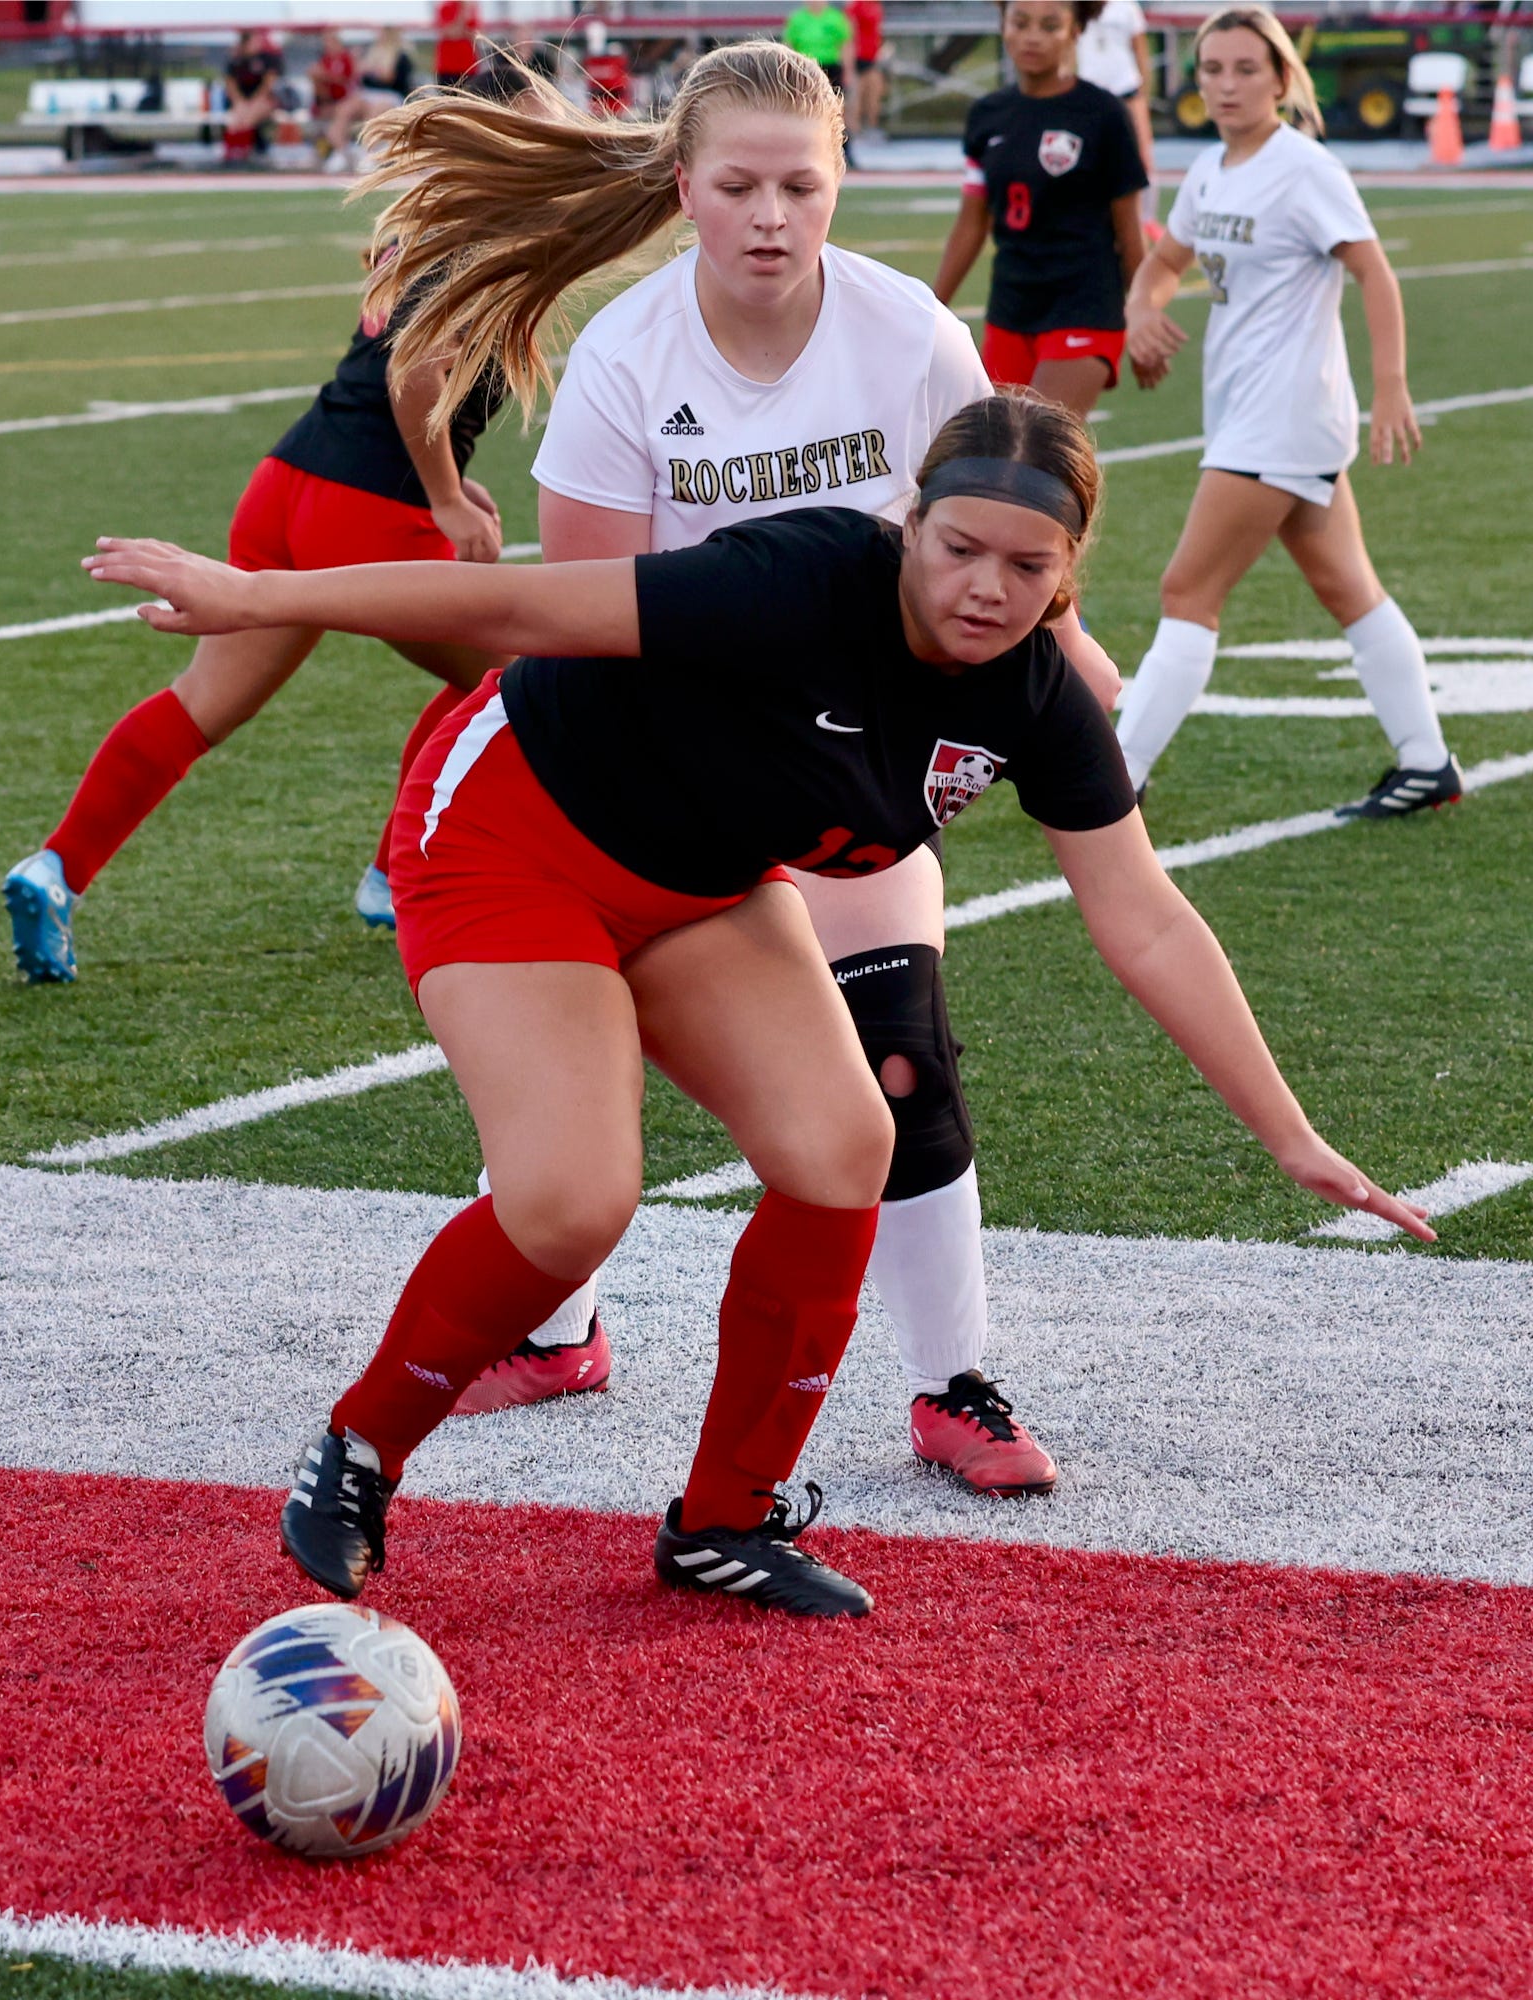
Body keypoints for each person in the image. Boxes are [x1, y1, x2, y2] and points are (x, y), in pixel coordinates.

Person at [82, 393, 1435, 1620]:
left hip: (702, 885)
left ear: (1069, 572)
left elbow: (1144, 918)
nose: (986, 586)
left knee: (848, 1145)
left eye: (1028, 567)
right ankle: (361, 1448)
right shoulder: (797, 582)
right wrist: (254, 593)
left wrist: (1291, 1136)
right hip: (512, 828)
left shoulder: (1034, 695)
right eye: (959, 545)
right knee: (570, 1200)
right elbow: (519, 612)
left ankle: (727, 1516)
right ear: (910, 524)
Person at [350, 40, 1122, 1497]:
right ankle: (560, 1322)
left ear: (844, 188)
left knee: (899, 1046)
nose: (773, 215)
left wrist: (1062, 658)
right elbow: (577, 631)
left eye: (803, 186)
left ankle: (952, 1381)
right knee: (594, 1065)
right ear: (686, 189)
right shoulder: (630, 359)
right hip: (682, 771)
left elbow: (998, 532)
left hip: (855, 766)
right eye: (741, 185)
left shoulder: (911, 339)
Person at [2, 260, 507, 985]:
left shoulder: (431, 226)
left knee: (201, 702)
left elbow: (382, 374)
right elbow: (416, 365)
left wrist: (453, 480)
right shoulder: (496, 231)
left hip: (288, 482)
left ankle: (55, 869)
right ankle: (395, 876)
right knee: (512, 675)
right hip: (368, 510)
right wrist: (444, 498)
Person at [1117, 5, 1462, 817]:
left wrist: (1393, 387)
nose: (1227, 85)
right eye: (1213, 70)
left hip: (1283, 416)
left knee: (1186, 590)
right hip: (1252, 412)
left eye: (1246, 69)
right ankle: (1427, 763)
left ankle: (1117, 776)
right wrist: (1141, 311)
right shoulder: (1210, 169)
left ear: (1281, 78)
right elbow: (1165, 262)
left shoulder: (1304, 169)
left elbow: (1375, 274)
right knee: (1350, 589)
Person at [932, 0, 1148, 422]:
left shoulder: (1104, 115)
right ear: (1004, 27)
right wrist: (929, 310)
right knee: (995, 453)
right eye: (1021, 22)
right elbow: (972, 223)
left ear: (1075, 31)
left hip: (1085, 306)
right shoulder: (987, 116)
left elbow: (1129, 231)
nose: (1033, 36)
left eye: (1050, 25)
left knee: (1036, 444)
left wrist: (1141, 318)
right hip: (1011, 307)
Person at [1072, 0, 1161, 237]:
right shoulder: (1078, 5)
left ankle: (1147, 219)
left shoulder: (1128, 7)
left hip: (1126, 90)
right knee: (1085, 157)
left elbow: (1140, 51)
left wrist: (1143, 93)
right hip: (1091, 92)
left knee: (1143, 155)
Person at [324, 26, 417, 174]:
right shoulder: (372, 53)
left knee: (374, 111)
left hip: (390, 94)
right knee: (344, 109)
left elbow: (390, 78)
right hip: (368, 93)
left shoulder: (400, 55)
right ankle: (342, 152)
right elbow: (360, 75)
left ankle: (369, 153)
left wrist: (372, 70)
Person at [783, 1, 856, 159]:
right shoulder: (798, 19)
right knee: (804, 108)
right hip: (805, 68)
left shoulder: (835, 18)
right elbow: (789, 46)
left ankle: (843, 149)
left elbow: (845, 45)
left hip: (831, 67)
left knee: (836, 109)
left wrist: (848, 70)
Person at [222, 29, 282, 167]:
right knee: (235, 121)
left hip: (263, 101)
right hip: (243, 101)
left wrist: (252, 103)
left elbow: (268, 85)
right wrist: (240, 102)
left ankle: (243, 154)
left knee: (248, 118)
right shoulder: (236, 60)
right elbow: (230, 85)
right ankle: (231, 154)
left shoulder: (267, 59)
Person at [308, 29, 357, 156]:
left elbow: (346, 81)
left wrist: (323, 75)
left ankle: (342, 152)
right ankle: (330, 152)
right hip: (327, 102)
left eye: (329, 41)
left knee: (335, 128)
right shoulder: (325, 59)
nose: (326, 45)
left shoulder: (346, 58)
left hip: (342, 101)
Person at [846, 0, 887, 137]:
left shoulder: (876, 6)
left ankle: (871, 127)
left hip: (872, 56)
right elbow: (849, 32)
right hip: (859, 56)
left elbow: (877, 31)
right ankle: (853, 130)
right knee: (857, 94)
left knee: (874, 93)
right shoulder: (857, 6)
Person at [433, 0, 481, 91]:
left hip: (469, 67)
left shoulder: (471, 8)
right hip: (447, 68)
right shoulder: (445, 6)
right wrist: (461, 15)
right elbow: (450, 33)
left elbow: (476, 35)